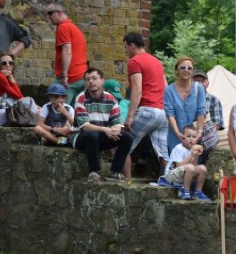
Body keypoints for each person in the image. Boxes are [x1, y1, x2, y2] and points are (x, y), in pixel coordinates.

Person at [70, 68, 133, 183]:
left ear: (102, 80)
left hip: (99, 137)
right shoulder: (81, 98)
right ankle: (94, 172)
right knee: (92, 134)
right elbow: (85, 126)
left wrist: (116, 130)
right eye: (88, 79)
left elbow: (117, 122)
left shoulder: (111, 98)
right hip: (80, 137)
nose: (91, 82)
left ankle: (115, 171)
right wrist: (106, 130)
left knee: (127, 137)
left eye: (94, 78)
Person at [122, 32, 169, 173]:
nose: (125, 51)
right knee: (163, 152)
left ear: (132, 45)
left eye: (125, 47)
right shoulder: (157, 62)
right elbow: (166, 88)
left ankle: (124, 181)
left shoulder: (134, 61)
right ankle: (171, 181)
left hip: (147, 110)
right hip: (163, 113)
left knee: (124, 145)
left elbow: (137, 90)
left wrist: (130, 116)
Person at [164, 56, 207, 154]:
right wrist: (178, 133)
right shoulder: (169, 91)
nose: (186, 70)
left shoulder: (198, 88)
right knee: (177, 165)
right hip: (175, 135)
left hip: (194, 136)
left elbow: (201, 111)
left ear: (192, 72)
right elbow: (170, 114)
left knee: (194, 165)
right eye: (183, 68)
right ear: (177, 71)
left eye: (189, 68)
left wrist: (199, 133)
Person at [46, 1, 88, 99]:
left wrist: (64, 75)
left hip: (70, 78)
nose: (48, 17)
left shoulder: (63, 27)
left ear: (59, 13)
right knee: (74, 111)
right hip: (81, 76)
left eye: (50, 13)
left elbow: (67, 51)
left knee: (57, 108)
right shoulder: (73, 27)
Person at [163, 124, 212, 201]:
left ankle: (198, 192)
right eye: (188, 136)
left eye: (194, 137)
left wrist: (196, 156)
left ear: (197, 140)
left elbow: (193, 167)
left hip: (183, 173)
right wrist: (191, 155)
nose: (191, 139)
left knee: (203, 168)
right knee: (190, 167)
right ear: (183, 137)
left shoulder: (192, 149)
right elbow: (179, 166)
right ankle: (186, 191)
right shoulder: (179, 148)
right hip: (172, 175)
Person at [192, 68, 225, 162]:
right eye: (196, 81)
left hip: (206, 143)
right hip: (188, 142)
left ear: (207, 83)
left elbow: (218, 123)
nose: (199, 83)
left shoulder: (214, 100)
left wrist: (201, 130)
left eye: (202, 81)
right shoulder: (185, 99)